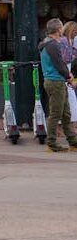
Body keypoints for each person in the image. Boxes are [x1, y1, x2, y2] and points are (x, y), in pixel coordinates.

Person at [39, 18, 77, 152]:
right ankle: (52, 143)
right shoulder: (53, 45)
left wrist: (66, 76)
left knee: (66, 113)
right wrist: (69, 76)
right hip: (55, 82)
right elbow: (59, 64)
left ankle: (73, 141)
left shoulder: (47, 43)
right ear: (58, 29)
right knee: (56, 114)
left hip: (56, 81)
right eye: (61, 27)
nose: (62, 29)